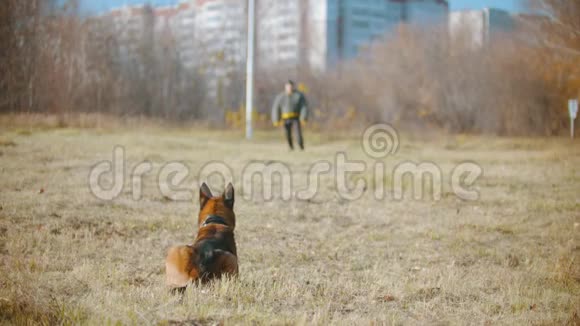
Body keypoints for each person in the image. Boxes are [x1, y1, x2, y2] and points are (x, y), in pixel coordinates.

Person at [271, 80, 309, 150]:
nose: (289, 88)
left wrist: (303, 117)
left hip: (295, 118)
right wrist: (276, 120)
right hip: (285, 118)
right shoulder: (280, 97)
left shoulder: (298, 96)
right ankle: (291, 147)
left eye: (290, 86)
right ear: (285, 87)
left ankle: (301, 146)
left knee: (298, 133)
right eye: (288, 87)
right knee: (287, 134)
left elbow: (304, 107)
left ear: (293, 87)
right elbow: (276, 108)